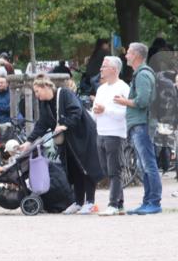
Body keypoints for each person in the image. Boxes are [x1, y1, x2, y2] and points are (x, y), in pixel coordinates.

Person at [20, 76, 102, 214]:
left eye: (37, 91)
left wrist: (64, 124)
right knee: (73, 170)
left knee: (85, 168)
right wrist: (29, 141)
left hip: (83, 137)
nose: (36, 95)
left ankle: (90, 202)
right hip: (68, 142)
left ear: (45, 87)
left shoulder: (64, 94)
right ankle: (77, 202)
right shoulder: (45, 104)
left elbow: (76, 111)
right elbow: (42, 124)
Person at [113, 42, 162, 215]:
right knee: (143, 165)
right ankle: (147, 201)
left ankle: (154, 202)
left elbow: (142, 101)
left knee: (148, 164)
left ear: (136, 55)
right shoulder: (140, 74)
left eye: (128, 53)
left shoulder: (142, 75)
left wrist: (123, 101)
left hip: (143, 125)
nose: (125, 56)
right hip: (139, 125)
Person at [91, 56, 129, 215]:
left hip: (115, 133)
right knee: (106, 169)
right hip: (101, 131)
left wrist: (105, 110)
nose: (101, 69)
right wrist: (96, 111)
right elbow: (96, 109)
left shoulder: (123, 88)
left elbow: (124, 113)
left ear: (114, 69)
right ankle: (119, 203)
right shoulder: (101, 89)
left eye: (104, 66)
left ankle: (113, 204)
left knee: (114, 170)